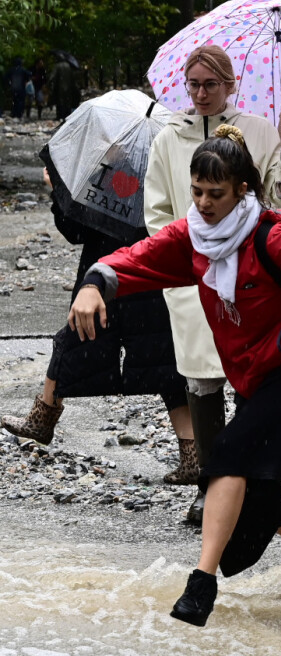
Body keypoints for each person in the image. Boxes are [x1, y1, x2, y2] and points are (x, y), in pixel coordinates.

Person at [69, 124, 281, 627]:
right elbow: (137, 259)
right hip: (253, 379)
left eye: (216, 194)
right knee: (261, 491)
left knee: (226, 453)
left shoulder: (273, 236)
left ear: (242, 190)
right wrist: (94, 283)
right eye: (197, 191)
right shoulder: (194, 238)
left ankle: (200, 585)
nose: (203, 203)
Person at [144, 44, 281, 522]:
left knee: (252, 375)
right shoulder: (168, 137)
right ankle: (210, 485)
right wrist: (181, 256)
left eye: (210, 84)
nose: (200, 93)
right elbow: (156, 211)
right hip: (193, 276)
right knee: (201, 378)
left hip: (251, 276)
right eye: (193, 84)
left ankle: (251, 481)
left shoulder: (260, 129)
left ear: (230, 85)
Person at [2, 167, 194, 486]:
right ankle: (192, 453)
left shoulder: (106, 174)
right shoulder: (152, 170)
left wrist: (60, 190)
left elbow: (75, 231)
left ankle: (43, 419)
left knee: (75, 340)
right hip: (144, 276)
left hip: (112, 276)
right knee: (163, 360)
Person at [47, 54, 79, 121]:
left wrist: (49, 84)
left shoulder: (57, 66)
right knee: (67, 102)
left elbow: (52, 77)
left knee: (60, 102)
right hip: (69, 87)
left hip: (59, 87)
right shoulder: (69, 66)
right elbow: (73, 78)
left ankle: (60, 116)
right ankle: (67, 115)